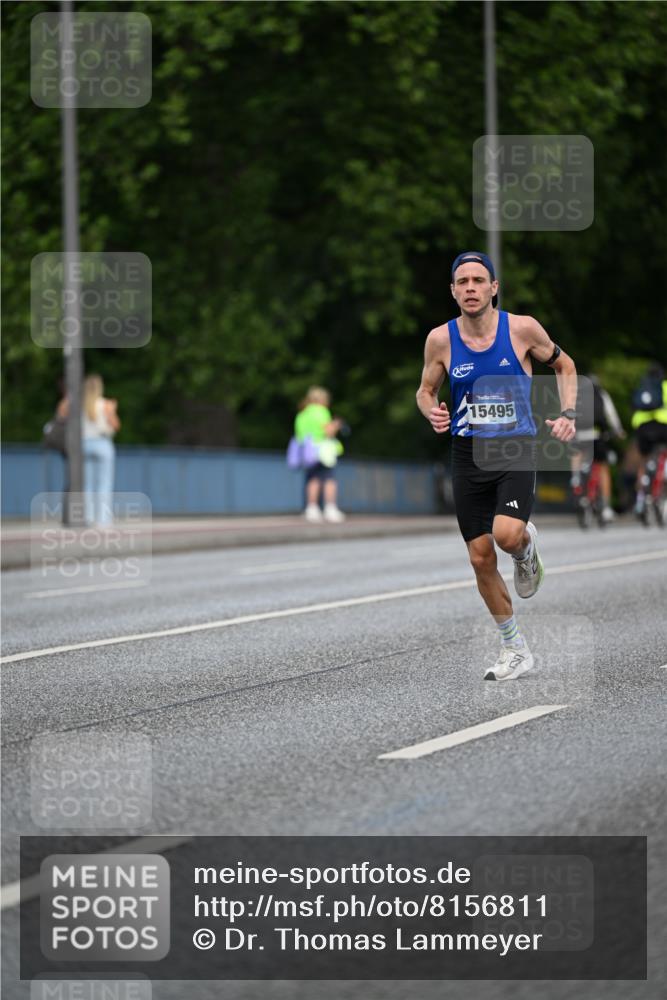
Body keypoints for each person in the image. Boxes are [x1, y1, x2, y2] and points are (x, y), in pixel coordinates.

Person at [416, 250, 577, 681]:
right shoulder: (440, 340)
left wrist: (568, 413)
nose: (470, 288)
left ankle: (524, 548)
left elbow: (564, 365)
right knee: (480, 556)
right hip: (467, 453)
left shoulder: (522, 329)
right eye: (462, 282)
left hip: (515, 448)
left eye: (478, 280)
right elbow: (426, 390)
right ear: (453, 291)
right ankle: (515, 649)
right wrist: (431, 411)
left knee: (505, 536)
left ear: (493, 287)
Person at [570, 374, 625, 522]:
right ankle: (606, 508)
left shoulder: (576, 394)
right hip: (596, 436)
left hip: (579, 435)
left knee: (577, 454)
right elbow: (611, 414)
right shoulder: (601, 394)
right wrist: (618, 431)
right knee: (603, 468)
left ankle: (575, 477)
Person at [294, 386, 346, 523]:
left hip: (307, 450)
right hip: (322, 449)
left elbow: (299, 434)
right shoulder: (321, 411)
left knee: (313, 479)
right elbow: (328, 431)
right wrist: (336, 425)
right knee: (329, 479)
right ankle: (330, 509)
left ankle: (312, 509)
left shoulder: (302, 414)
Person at [81, 374, 120, 525]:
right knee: (104, 483)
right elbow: (116, 426)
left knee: (87, 484)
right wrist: (113, 410)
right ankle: (103, 520)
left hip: (84, 444)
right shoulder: (106, 405)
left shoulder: (80, 405)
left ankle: (88, 517)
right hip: (102, 443)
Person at [630, 363, 667, 514]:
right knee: (663, 456)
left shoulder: (642, 387)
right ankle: (662, 481)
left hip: (642, 428)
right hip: (662, 427)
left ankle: (640, 499)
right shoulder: (664, 386)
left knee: (644, 461)